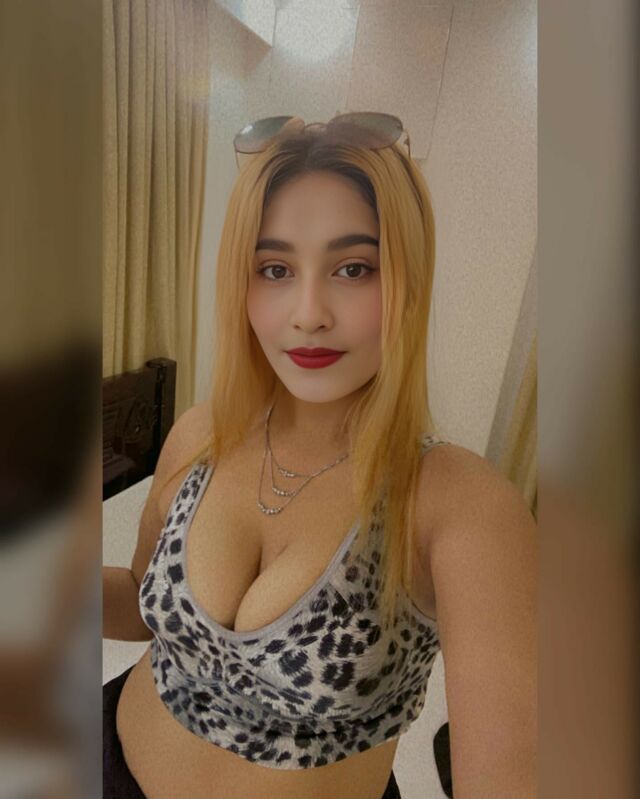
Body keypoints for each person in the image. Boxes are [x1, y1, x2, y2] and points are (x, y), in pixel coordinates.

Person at [103, 113, 536, 799]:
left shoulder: (458, 503)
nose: (308, 313)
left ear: (408, 283)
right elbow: (138, 602)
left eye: (353, 268)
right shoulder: (201, 434)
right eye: (275, 269)